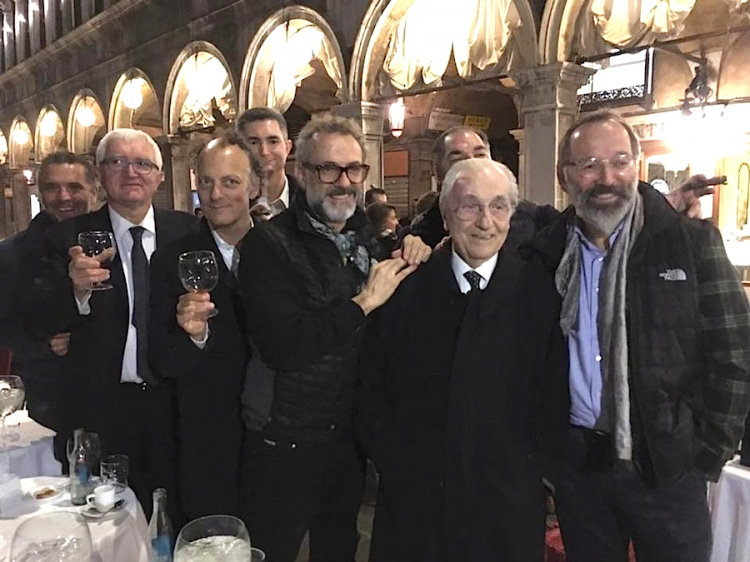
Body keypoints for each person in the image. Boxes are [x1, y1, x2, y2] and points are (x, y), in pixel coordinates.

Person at [531, 110, 750, 562]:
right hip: (580, 469)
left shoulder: (690, 244)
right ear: (564, 175)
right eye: (589, 164)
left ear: (638, 165)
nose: (606, 177)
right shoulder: (547, 253)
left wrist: (706, 456)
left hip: (667, 467)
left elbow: (735, 353)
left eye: (620, 161)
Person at [238, 113, 429, 562]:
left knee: (338, 546)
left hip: (349, 435)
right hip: (287, 437)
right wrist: (362, 302)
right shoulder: (268, 245)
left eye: (354, 169)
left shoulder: (368, 238)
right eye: (329, 169)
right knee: (274, 548)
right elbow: (284, 346)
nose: (344, 182)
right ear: (300, 172)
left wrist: (414, 247)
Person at [357, 158, 568, 562]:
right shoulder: (403, 289)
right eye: (470, 206)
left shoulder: (539, 293)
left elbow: (555, 395)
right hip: (416, 502)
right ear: (446, 214)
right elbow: (371, 386)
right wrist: (395, 462)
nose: (485, 222)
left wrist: (532, 473)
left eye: (499, 206)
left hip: (505, 505)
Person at [29, 129, 195, 514]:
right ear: (101, 174)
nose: (130, 172)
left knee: (167, 513)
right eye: (116, 162)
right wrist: (76, 290)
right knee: (101, 519)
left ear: (160, 175)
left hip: (170, 405)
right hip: (98, 408)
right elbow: (40, 318)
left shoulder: (185, 232)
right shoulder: (67, 236)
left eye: (143, 163)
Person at [149, 132, 252, 521]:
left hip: (275, 440)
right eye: (206, 181)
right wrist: (194, 336)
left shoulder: (283, 249)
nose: (215, 194)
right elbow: (162, 361)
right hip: (209, 438)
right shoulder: (171, 260)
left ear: (254, 186)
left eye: (230, 181)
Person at [409, 126, 714, 249]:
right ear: (439, 173)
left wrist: (663, 202)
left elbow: (594, 214)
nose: (471, 164)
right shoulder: (421, 233)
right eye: (458, 157)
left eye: (479, 154)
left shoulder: (532, 217)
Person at [0, 151, 98, 432]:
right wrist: (48, 346)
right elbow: (5, 333)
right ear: (41, 194)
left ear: (94, 189)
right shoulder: (9, 256)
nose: (63, 196)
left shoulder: (116, 245)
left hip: (113, 399)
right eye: (52, 188)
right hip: (46, 407)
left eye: (75, 187)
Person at [235, 107, 300, 218]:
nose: (264, 151)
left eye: (273, 141)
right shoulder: (227, 204)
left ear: (288, 148)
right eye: (254, 142)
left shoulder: (311, 202)